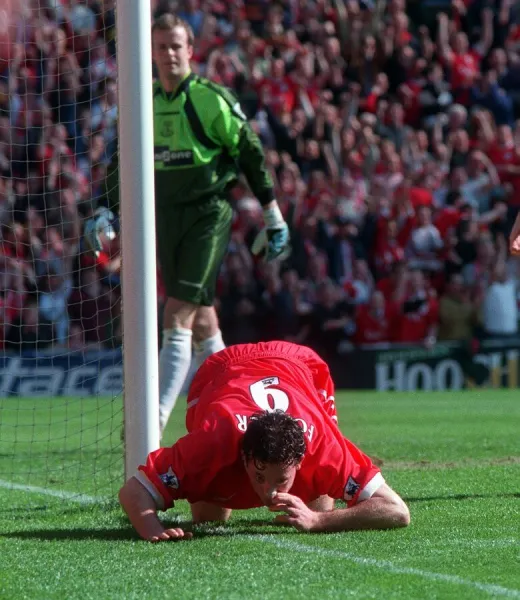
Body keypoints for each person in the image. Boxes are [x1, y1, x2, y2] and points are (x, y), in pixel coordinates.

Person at [85, 14, 290, 436]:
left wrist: (272, 213)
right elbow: (121, 161)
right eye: (161, 47)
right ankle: (243, 406)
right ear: (151, 53)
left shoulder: (211, 99)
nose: (169, 54)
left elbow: (249, 151)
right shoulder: (141, 102)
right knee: (202, 321)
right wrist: (104, 208)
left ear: (191, 49)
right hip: (161, 219)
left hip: (207, 214)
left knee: (176, 313)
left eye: (176, 46)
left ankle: (152, 422)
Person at [118, 341, 410, 542]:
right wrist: (152, 529)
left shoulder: (324, 449)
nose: (269, 493)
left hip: (296, 362)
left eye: (281, 479)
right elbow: (132, 492)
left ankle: (308, 498)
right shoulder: (213, 440)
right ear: (243, 456)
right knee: (208, 518)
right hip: (222, 369)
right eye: (259, 476)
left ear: (299, 461)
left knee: (321, 504)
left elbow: (396, 511)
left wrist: (318, 521)